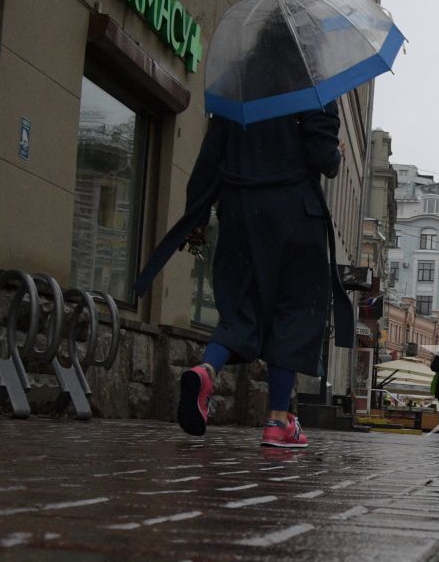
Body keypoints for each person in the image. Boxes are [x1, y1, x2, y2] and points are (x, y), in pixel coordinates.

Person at [137, 100, 352, 451]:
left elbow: (209, 158)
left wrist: (197, 215)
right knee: (293, 315)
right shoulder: (310, 86)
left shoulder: (240, 85)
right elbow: (323, 159)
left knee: (239, 309)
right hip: (295, 216)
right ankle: (277, 422)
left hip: (240, 212)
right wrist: (336, 152)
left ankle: (206, 370)